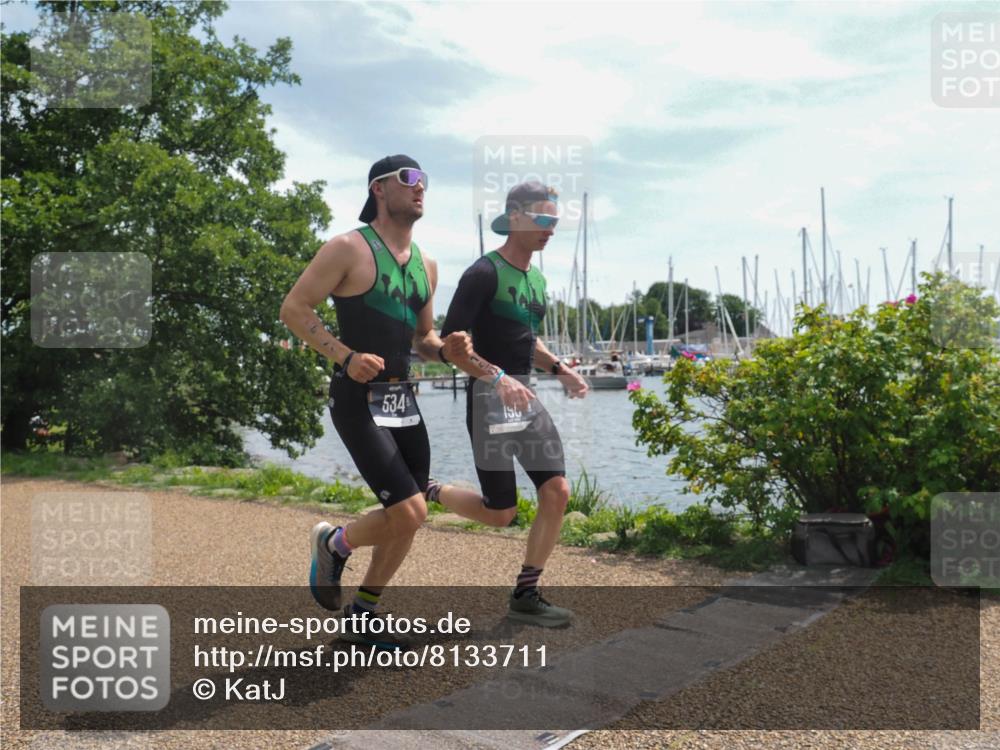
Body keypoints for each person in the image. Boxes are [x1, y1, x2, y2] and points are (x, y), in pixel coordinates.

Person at [279, 155, 470, 649]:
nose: (420, 187)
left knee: (412, 514)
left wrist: (446, 351)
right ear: (379, 189)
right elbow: (294, 310)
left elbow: (423, 338)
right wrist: (344, 357)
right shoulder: (347, 248)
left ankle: (364, 614)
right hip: (357, 398)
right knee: (409, 510)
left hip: (402, 399)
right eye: (410, 179)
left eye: (425, 180)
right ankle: (333, 544)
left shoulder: (427, 264)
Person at [435, 181, 589, 628]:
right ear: (516, 218)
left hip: (525, 396)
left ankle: (526, 594)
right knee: (501, 513)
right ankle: (431, 489)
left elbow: (527, 338)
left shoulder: (536, 278)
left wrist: (560, 368)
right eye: (543, 220)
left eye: (555, 221)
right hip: (489, 399)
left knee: (556, 491)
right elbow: (452, 347)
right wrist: (497, 377)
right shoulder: (482, 274)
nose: (551, 230)